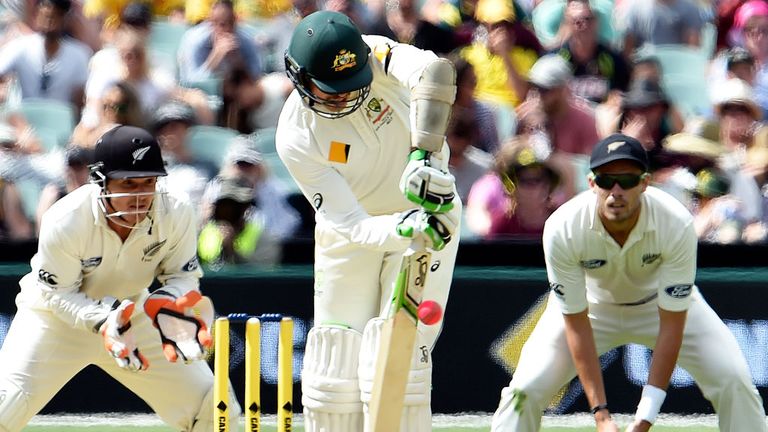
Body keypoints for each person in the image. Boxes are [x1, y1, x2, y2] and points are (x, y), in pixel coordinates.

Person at [490, 133, 767, 432]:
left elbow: (672, 324)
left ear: (645, 183)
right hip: (591, 307)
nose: (616, 191)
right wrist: (601, 415)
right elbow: (576, 322)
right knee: (523, 391)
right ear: (592, 183)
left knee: (735, 381)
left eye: (627, 180)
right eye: (606, 180)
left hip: (659, 306)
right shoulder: (563, 227)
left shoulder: (675, 221)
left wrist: (645, 418)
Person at [276, 10, 460, 432]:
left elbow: (436, 73)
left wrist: (422, 156)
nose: (345, 98)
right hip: (353, 236)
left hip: (429, 214)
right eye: (331, 91)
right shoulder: (295, 135)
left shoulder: (378, 54)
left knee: (398, 361)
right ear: (300, 78)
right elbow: (350, 222)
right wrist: (402, 226)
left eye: (351, 86)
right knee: (334, 368)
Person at [0, 125, 240, 429]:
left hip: (132, 314)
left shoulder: (175, 210)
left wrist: (166, 306)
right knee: (4, 408)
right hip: (54, 320)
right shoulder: (65, 219)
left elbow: (183, 275)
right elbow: (59, 293)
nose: (139, 196)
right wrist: (104, 320)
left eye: (148, 183)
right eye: (128, 183)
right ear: (101, 182)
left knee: (215, 408)